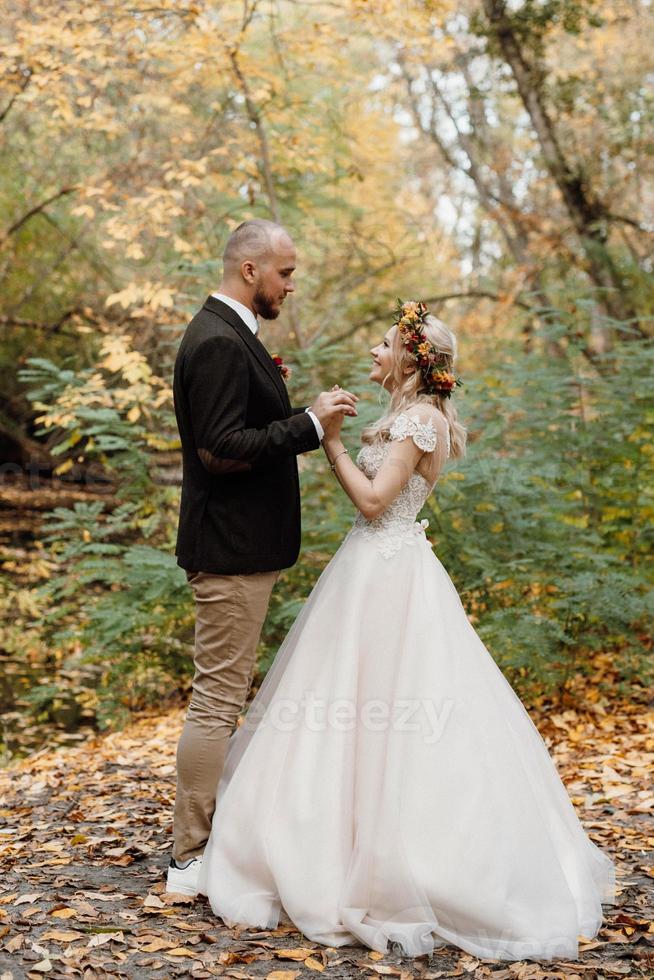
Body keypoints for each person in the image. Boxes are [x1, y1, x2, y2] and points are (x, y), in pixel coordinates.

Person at [196, 300, 617, 962]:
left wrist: (328, 438)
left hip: (388, 575)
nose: (372, 352)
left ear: (414, 363)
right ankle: (331, 834)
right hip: (369, 569)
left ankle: (390, 857)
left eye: (383, 343)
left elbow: (371, 501)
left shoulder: (419, 421)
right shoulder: (402, 416)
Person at [168, 218, 359, 896]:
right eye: (285, 271)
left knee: (224, 694)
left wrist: (308, 421)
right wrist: (308, 424)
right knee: (217, 698)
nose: (291, 284)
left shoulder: (230, 336)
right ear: (250, 270)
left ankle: (205, 841)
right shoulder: (217, 342)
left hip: (243, 548)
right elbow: (220, 449)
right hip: (229, 550)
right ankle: (189, 856)